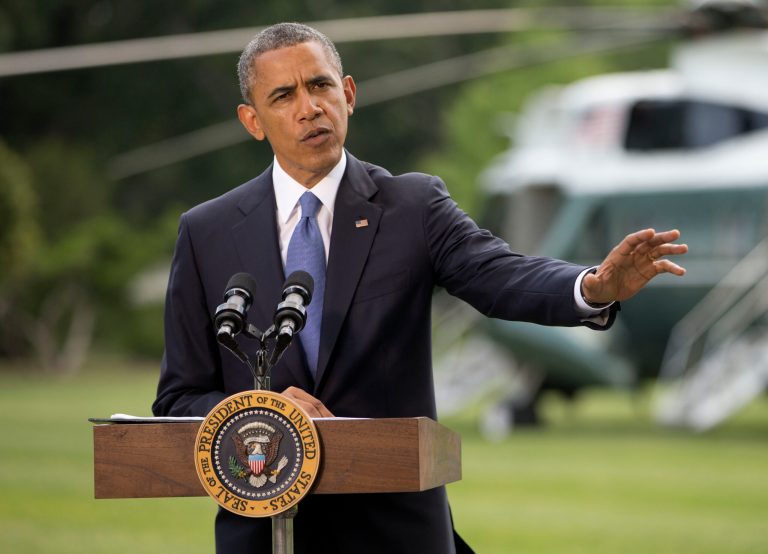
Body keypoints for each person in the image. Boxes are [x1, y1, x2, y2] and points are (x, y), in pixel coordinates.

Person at [152, 22, 687, 554]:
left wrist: (592, 286)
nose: (309, 107)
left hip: (396, 529)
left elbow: (499, 275)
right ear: (253, 121)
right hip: (264, 530)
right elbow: (179, 397)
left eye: (320, 86)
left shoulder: (413, 206)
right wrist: (262, 412)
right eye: (284, 95)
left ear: (349, 94)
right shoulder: (206, 232)